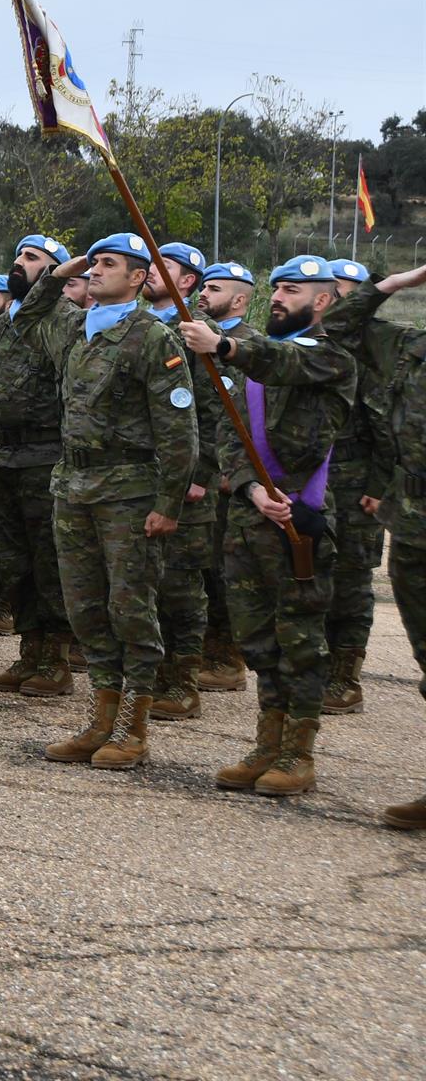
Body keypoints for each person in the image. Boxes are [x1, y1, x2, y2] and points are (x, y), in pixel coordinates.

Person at [14, 233, 196, 770]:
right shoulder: (76, 330)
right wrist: (63, 268)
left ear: (139, 277)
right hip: (74, 487)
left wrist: (169, 503)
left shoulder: (152, 338)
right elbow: (27, 317)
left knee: (130, 607)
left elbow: (179, 430)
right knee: (85, 608)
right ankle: (100, 718)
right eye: (92, 264)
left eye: (108, 264)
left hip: (130, 491)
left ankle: (132, 727)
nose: (94, 271)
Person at [179, 257, 354, 796]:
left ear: (321, 301)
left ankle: (298, 753)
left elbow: (282, 363)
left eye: (292, 290)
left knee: (299, 638)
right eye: (275, 287)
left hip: (303, 514)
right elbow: (229, 437)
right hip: (250, 513)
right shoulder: (251, 364)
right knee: (256, 638)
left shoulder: (332, 358)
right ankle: (266, 745)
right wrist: (252, 488)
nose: (278, 296)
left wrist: (226, 346)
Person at [319, 261, 426, 827]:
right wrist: (390, 286)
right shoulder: (409, 348)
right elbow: (336, 327)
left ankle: (345, 670)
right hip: (413, 519)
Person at [0, 234, 79, 697]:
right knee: (14, 562)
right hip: (4, 455)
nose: (19, 263)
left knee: (47, 562)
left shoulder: (64, 320)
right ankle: (29, 651)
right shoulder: (4, 323)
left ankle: (55, 659)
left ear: (58, 272)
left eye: (32, 258)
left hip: (45, 455)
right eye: (18, 254)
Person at [141, 242, 218, 722]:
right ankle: (155, 675)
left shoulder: (194, 334)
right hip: (143, 475)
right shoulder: (143, 325)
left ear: (187, 280)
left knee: (181, 585)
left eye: (161, 267)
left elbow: (211, 414)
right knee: (149, 581)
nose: (148, 272)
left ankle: (185, 681)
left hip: (185, 479)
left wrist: (199, 474)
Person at [318, 257, 389, 714]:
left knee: (350, 580)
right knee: (314, 572)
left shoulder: (373, 354)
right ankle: (317, 666)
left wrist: (380, 484)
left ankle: (345, 677)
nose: (337, 298)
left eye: (347, 291)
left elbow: (387, 425)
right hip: (316, 476)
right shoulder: (311, 346)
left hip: (357, 478)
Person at [193, 261, 260, 692]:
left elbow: (240, 416)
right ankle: (204, 649)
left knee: (222, 569)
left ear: (238, 300)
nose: (203, 293)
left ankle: (227, 657)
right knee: (198, 566)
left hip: (224, 474)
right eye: (202, 286)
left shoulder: (249, 347)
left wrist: (222, 470)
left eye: (213, 289)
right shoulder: (195, 338)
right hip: (196, 463)